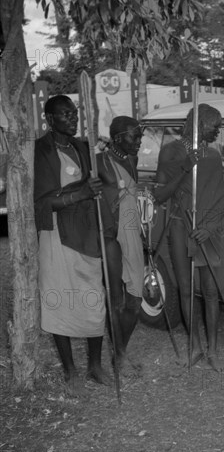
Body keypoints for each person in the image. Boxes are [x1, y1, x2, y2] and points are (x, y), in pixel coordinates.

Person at [34, 95, 109, 395]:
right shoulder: (40, 151)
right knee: (58, 300)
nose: (73, 118)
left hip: (86, 232)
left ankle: (95, 365)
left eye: (74, 113)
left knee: (94, 298)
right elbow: (41, 201)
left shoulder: (82, 147)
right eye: (65, 114)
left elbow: (94, 184)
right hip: (55, 235)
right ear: (50, 120)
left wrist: (96, 188)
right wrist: (81, 193)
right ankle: (70, 371)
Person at [154, 104, 224, 372]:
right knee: (186, 289)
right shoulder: (170, 151)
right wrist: (185, 167)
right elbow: (160, 195)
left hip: (208, 228)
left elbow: (221, 198)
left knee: (210, 291)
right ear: (198, 125)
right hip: (179, 225)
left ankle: (214, 351)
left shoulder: (214, 155)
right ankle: (194, 346)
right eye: (214, 126)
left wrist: (210, 226)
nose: (217, 132)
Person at [96, 116, 144, 375]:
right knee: (115, 300)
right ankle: (120, 356)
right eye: (134, 136)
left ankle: (120, 350)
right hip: (110, 236)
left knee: (135, 299)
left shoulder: (131, 160)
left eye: (140, 136)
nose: (139, 141)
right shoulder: (100, 163)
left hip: (132, 235)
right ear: (116, 138)